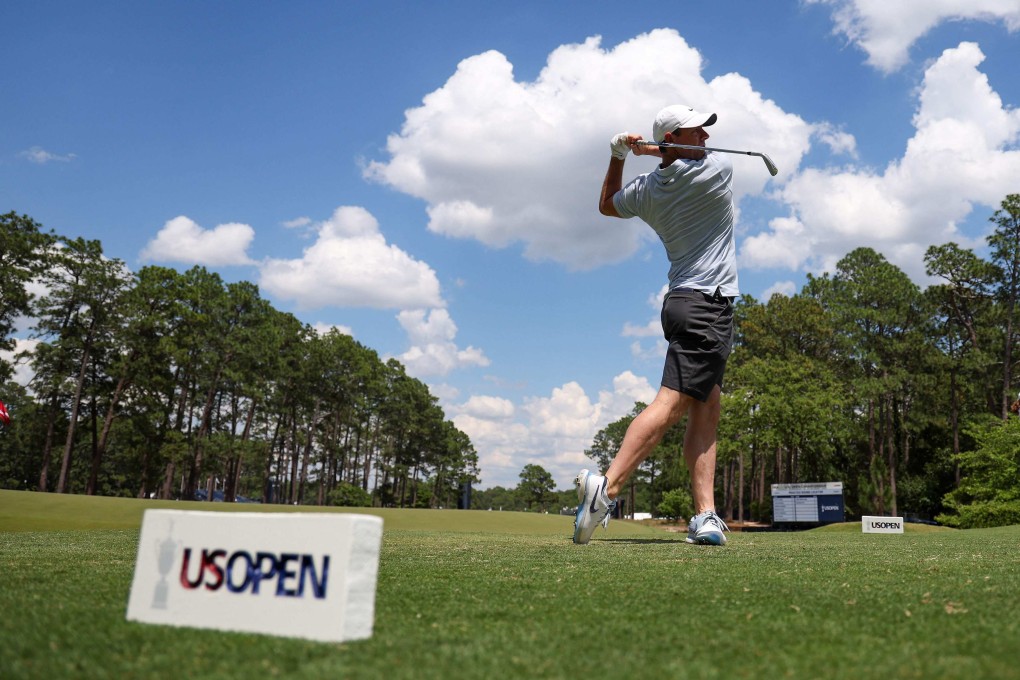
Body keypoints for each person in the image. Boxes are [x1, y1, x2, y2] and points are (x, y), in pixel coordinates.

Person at [573, 104, 738, 546]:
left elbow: (607, 205)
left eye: (705, 131)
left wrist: (620, 156)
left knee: (707, 409)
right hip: (707, 305)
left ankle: (705, 515)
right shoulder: (715, 172)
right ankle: (606, 489)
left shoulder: (647, 190)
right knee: (670, 404)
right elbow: (696, 158)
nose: (706, 138)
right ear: (674, 140)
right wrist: (651, 152)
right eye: (696, 131)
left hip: (683, 302)